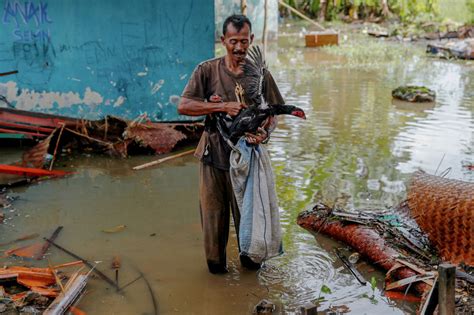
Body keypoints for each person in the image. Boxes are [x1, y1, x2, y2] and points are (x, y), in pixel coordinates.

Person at [177, 14, 285, 274]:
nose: (239, 47)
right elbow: (184, 105)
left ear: (252, 40)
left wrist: (265, 133)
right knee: (214, 229)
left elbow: (273, 113)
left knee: (251, 228)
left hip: (248, 161)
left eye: (244, 41)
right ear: (223, 40)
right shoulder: (207, 70)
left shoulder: (260, 75)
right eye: (233, 41)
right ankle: (217, 277)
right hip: (213, 157)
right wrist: (220, 105)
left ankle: (250, 281)